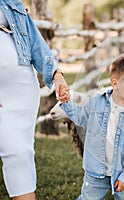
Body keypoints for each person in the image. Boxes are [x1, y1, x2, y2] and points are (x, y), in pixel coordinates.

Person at [0, 1, 69, 200]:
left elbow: (35, 41)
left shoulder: (11, 3)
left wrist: (56, 75)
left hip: (21, 92)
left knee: (20, 155)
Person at [59, 55, 124, 200]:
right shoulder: (96, 103)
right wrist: (66, 103)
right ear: (115, 84)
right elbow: (80, 117)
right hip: (96, 172)